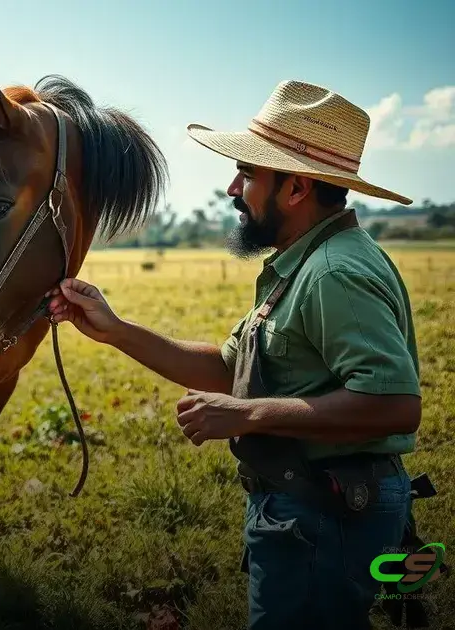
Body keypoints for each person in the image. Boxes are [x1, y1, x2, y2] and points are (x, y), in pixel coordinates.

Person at [47, 80, 432, 629]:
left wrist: (249, 414)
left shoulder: (333, 273)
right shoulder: (307, 261)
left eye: (248, 174)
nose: (232, 188)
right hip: (315, 508)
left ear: (296, 188)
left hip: (324, 515)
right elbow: (230, 371)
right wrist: (117, 330)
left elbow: (394, 406)